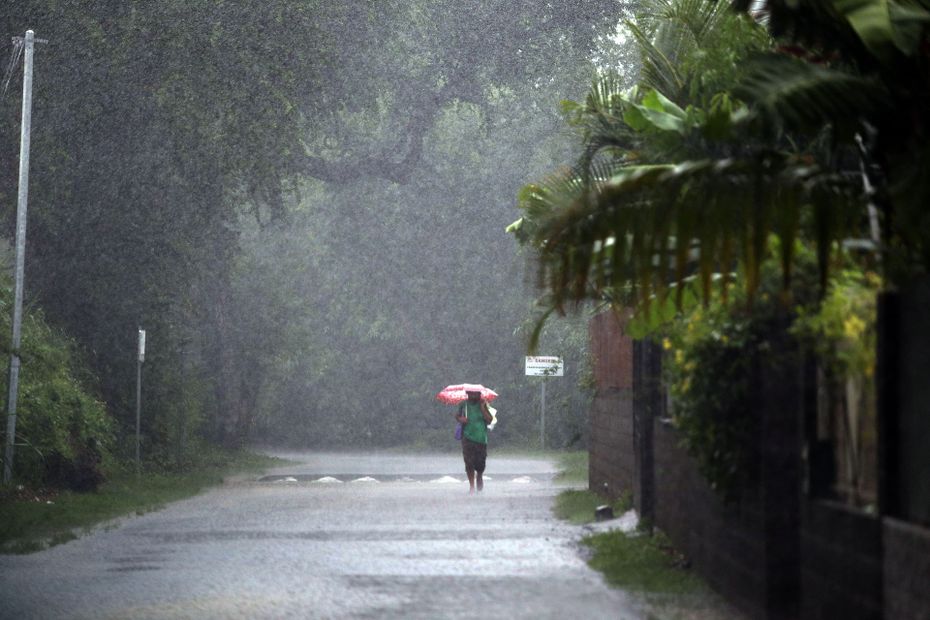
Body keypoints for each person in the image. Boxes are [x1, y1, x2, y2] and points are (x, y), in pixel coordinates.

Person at [456, 390, 493, 493]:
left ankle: (479, 476)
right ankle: (471, 486)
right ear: (467, 393)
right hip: (467, 438)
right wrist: (460, 419)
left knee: (480, 464)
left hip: (481, 439)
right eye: (471, 393)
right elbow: (457, 416)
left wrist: (482, 408)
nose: (473, 395)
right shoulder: (463, 404)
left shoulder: (484, 404)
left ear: (479, 394)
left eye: (476, 393)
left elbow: (490, 420)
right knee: (469, 463)